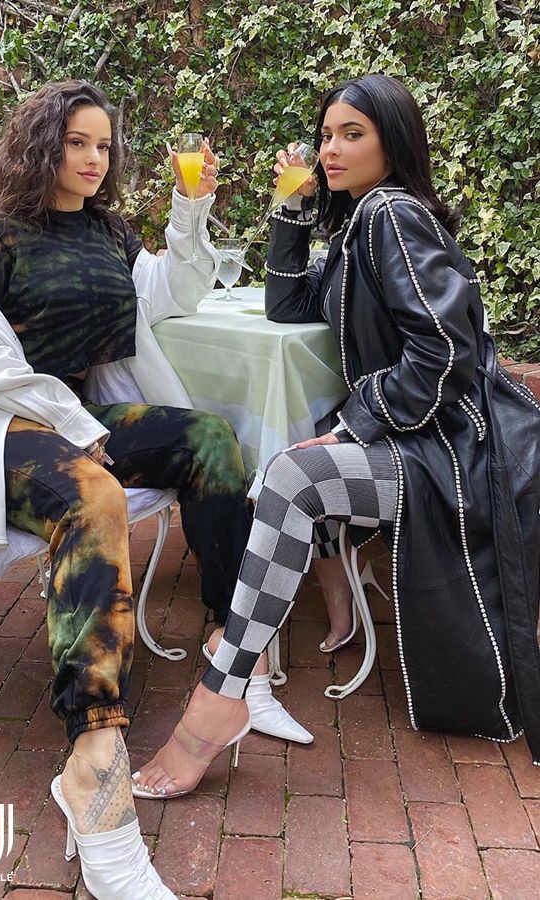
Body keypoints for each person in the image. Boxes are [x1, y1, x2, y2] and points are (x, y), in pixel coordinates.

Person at [133, 73, 540, 801]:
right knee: (294, 466)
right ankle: (238, 677)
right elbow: (289, 304)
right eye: (326, 134)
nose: (330, 148)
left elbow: (446, 352)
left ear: (394, 142)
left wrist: (353, 421)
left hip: (460, 450)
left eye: (352, 134)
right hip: (427, 441)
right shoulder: (359, 224)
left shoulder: (391, 215)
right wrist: (290, 202)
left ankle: (220, 695)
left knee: (293, 473)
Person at [0, 77, 257, 899]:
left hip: (81, 411)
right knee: (97, 497)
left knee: (212, 440)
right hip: (8, 422)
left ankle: (233, 651)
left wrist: (192, 210)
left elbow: (170, 294)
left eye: (103, 146)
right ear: (44, 145)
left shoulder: (112, 233)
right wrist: (24, 375)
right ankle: (92, 752)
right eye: (77, 142)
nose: (93, 158)